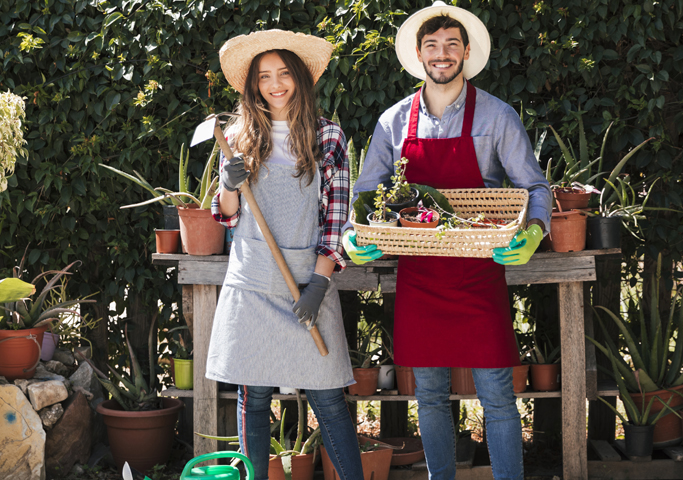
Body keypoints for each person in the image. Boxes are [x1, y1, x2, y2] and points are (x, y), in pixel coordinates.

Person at [342, 3, 552, 479]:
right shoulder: (393, 123)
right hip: (419, 276)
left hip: (481, 271)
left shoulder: (498, 115)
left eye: (451, 45)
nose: (442, 54)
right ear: (419, 55)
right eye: (432, 46)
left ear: (466, 52)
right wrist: (357, 236)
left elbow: (535, 187)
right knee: (430, 397)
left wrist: (534, 230)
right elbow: (365, 195)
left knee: (498, 396)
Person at [206, 30, 362, 480]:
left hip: (307, 280)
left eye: (284, 74)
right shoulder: (236, 137)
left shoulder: (327, 136)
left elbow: (337, 220)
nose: (275, 85)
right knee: (253, 396)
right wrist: (229, 184)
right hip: (253, 280)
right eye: (264, 77)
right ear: (254, 84)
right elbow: (229, 216)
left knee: (328, 396)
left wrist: (318, 284)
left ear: (300, 78)